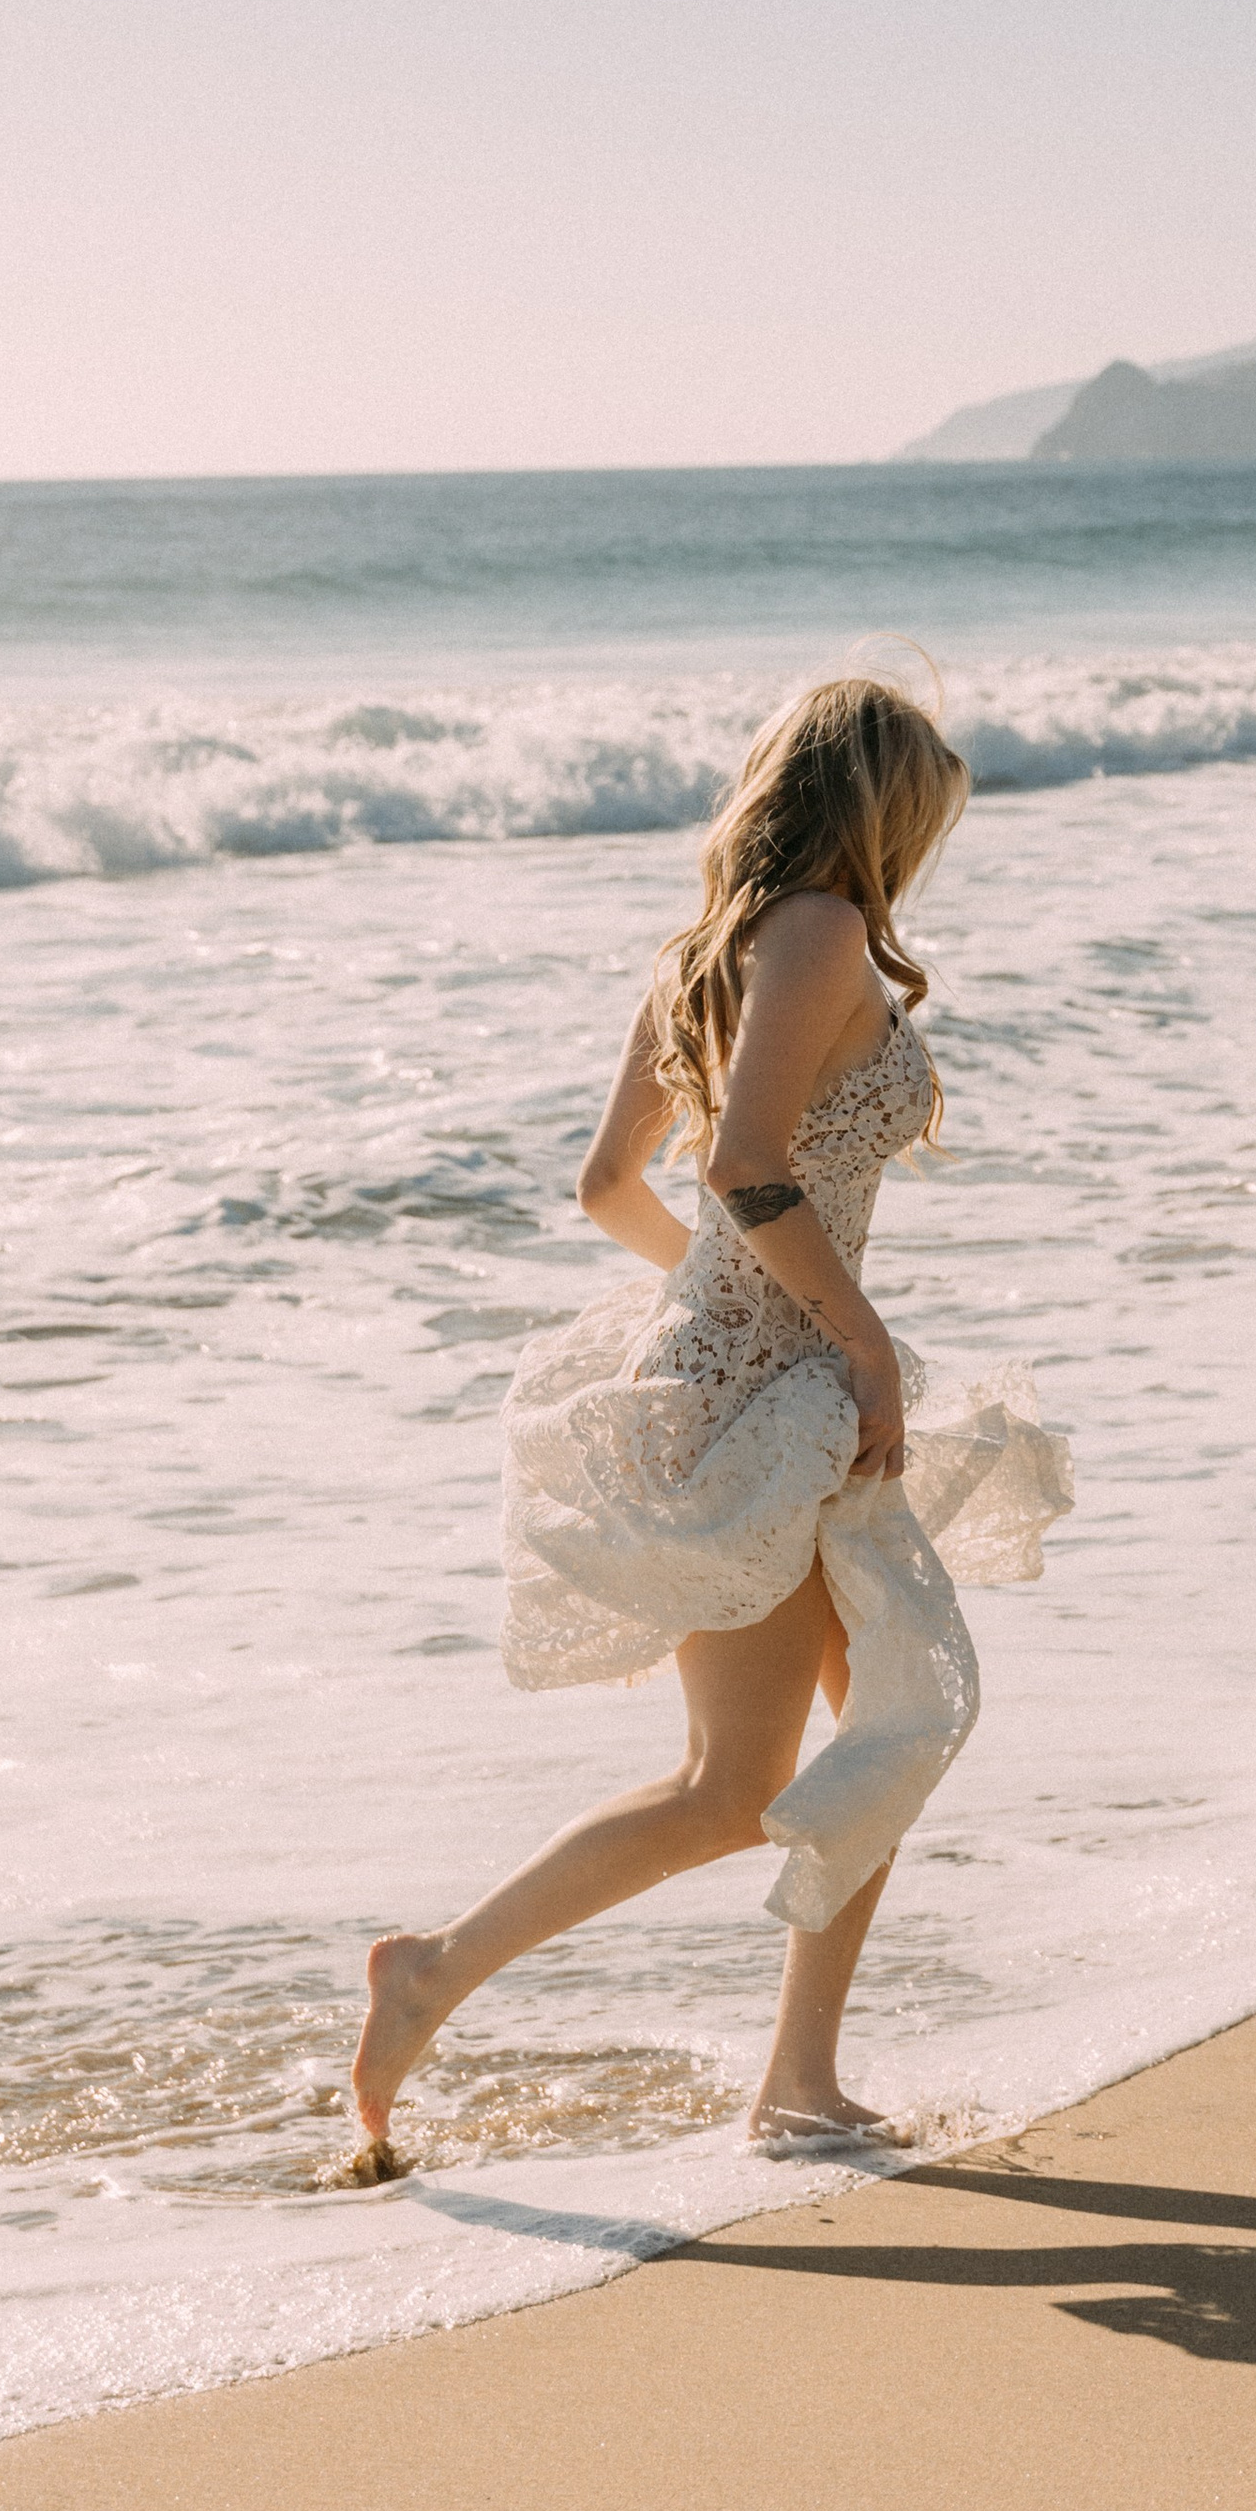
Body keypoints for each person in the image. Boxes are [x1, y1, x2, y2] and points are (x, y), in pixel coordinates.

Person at [346, 672, 1071, 2174]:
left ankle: (796, 2079)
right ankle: (444, 1977)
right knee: (752, 1782)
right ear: (882, 806)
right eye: (926, 812)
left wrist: (734, 1308)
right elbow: (745, 1165)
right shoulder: (814, 934)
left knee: (876, 1729)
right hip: (772, 1404)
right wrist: (838, 1329)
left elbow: (610, 1188)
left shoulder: (710, 953)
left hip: (750, 1385)